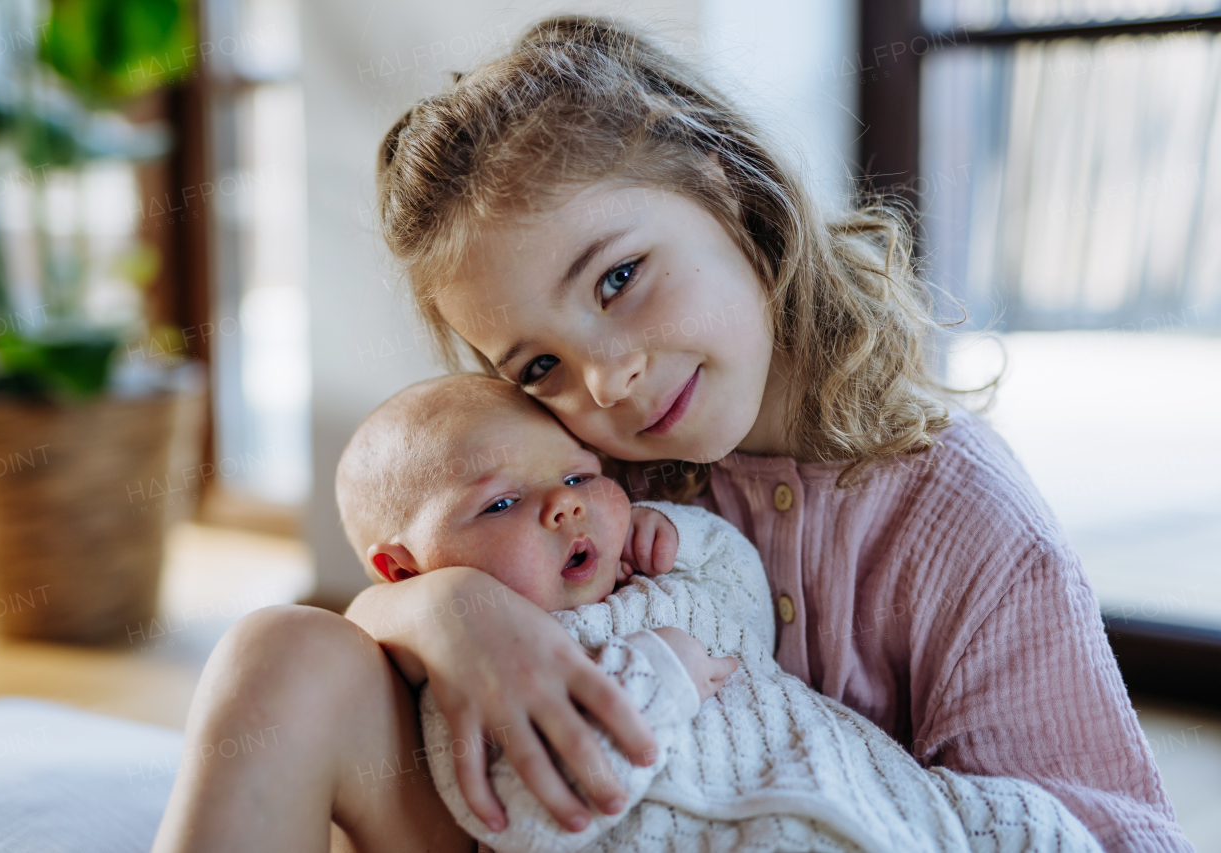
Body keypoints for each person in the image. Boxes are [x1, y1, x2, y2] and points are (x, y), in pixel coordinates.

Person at [358, 13, 1191, 853]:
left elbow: (1098, 831)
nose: (606, 382)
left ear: (719, 183)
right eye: (540, 366)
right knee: (288, 655)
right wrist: (441, 606)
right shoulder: (586, 499)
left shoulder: (958, 514)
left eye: (618, 278)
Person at [339, 373, 1104, 853]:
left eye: (578, 474)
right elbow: (532, 824)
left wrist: (684, 534)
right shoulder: (484, 674)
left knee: (1040, 824)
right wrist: (660, 675)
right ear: (403, 568)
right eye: (502, 502)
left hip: (906, 802)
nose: (565, 505)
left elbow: (748, 617)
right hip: (749, 832)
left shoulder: (650, 577)